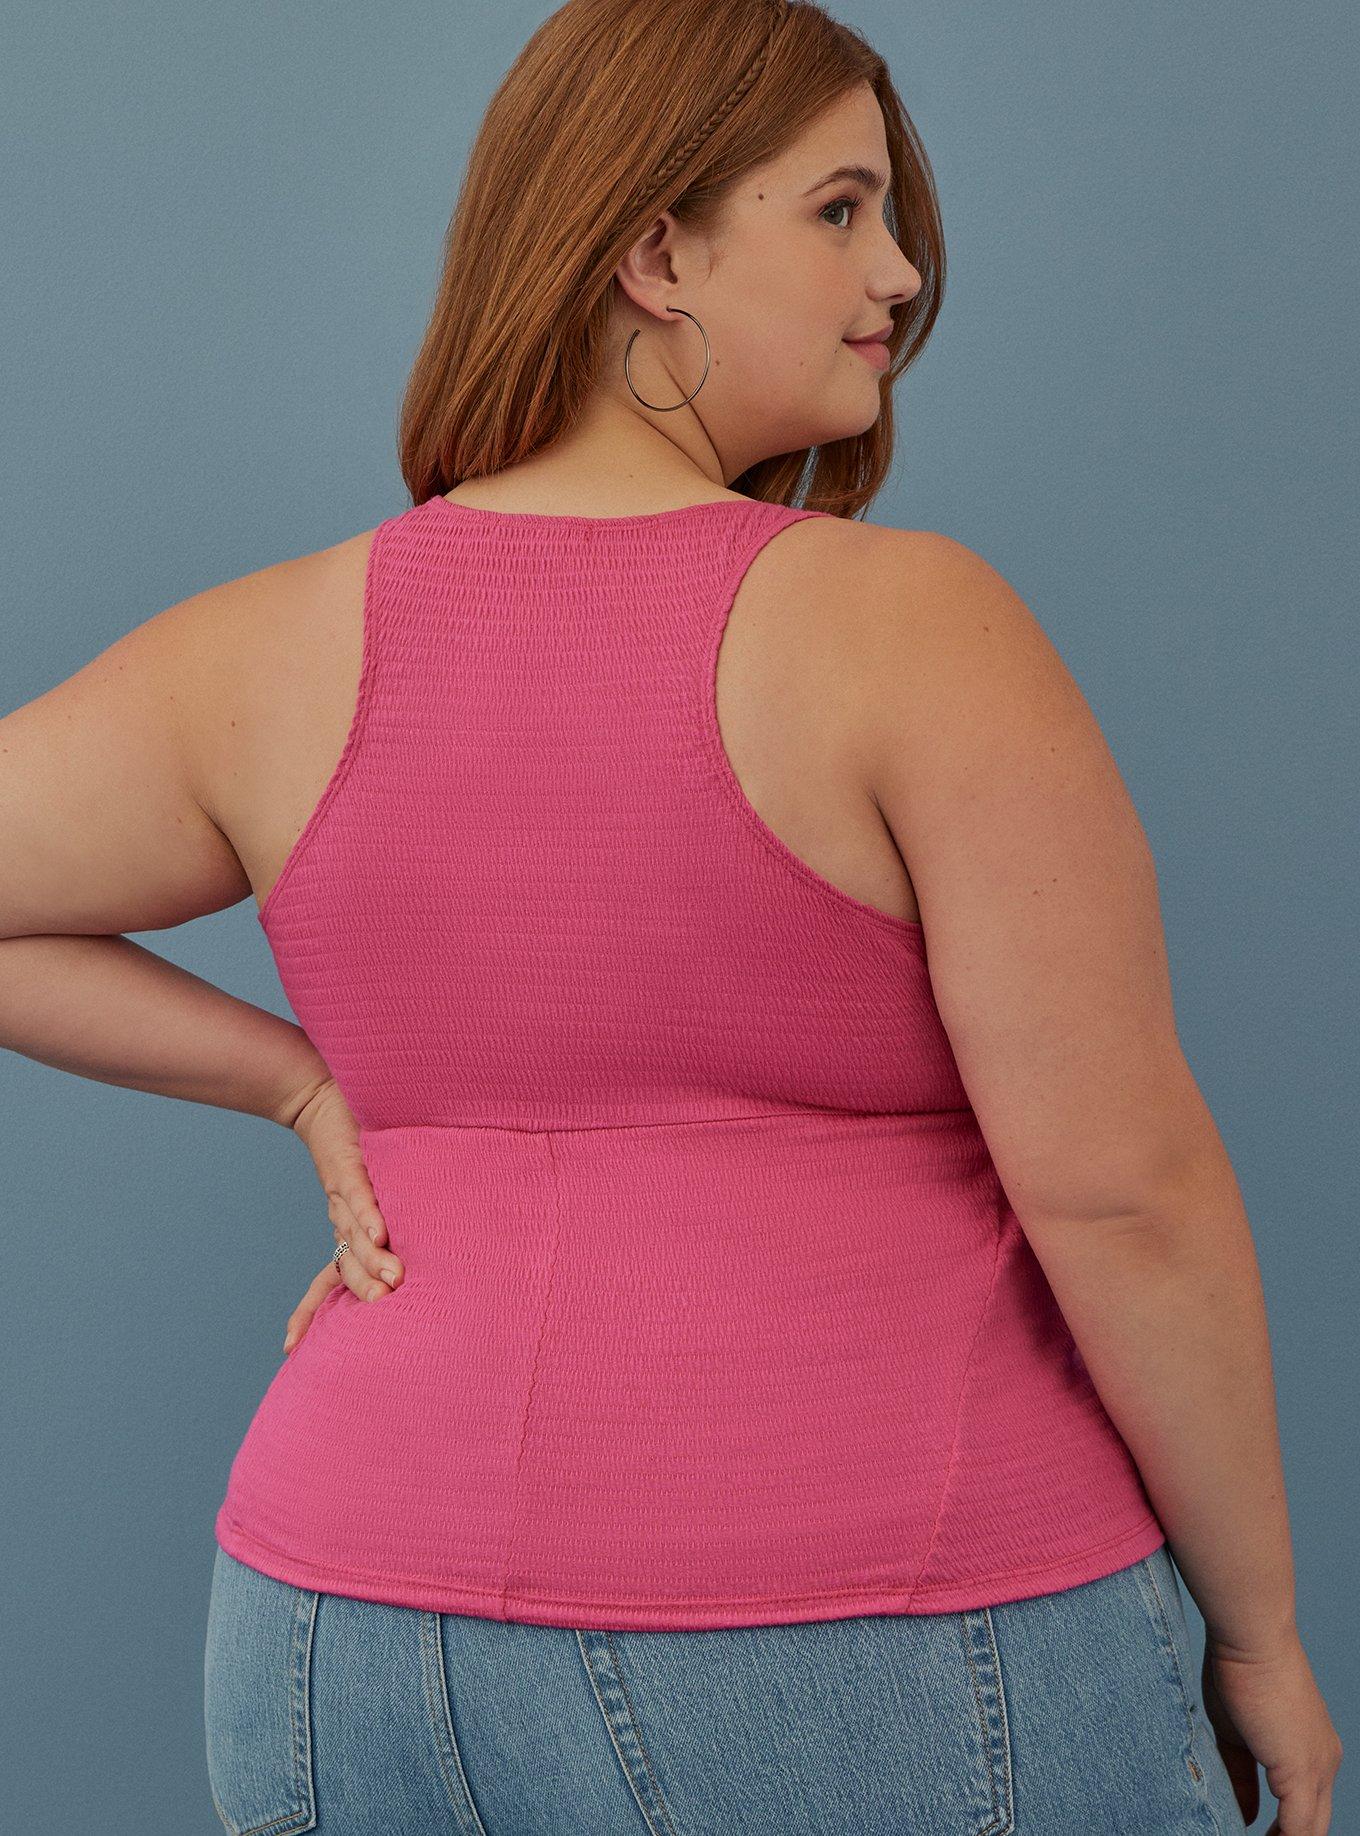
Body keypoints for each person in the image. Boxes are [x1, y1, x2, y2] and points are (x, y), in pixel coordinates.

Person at [2, 1, 1341, 1831]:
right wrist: (1260, 1629)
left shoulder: (266, 650)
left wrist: (304, 1083)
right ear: (653, 253)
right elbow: (1124, 1192)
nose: (901, 273)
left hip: (339, 1629)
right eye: (841, 210)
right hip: (868, 1622)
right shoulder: (907, 628)